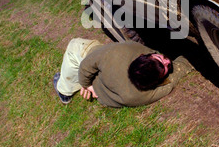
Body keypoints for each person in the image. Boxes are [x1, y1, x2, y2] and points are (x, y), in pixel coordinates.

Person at [53, 38, 192, 107]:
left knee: (74, 46)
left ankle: (64, 91)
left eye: (164, 67)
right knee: (81, 54)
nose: (167, 61)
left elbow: (85, 67)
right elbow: (86, 65)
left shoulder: (117, 52)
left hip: (97, 71)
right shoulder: (138, 95)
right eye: (162, 62)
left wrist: (86, 84)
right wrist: (87, 85)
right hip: (96, 70)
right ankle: (67, 87)